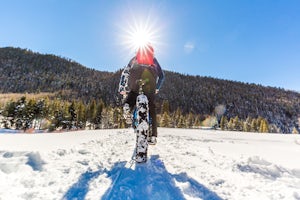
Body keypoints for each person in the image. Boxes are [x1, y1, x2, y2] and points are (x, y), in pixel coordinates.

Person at [118, 43, 164, 145]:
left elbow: (126, 72)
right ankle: (153, 136)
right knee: (151, 107)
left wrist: (122, 86)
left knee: (133, 94)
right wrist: (157, 88)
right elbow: (162, 76)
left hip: (135, 78)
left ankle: (128, 106)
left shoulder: (135, 58)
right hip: (150, 82)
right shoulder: (154, 60)